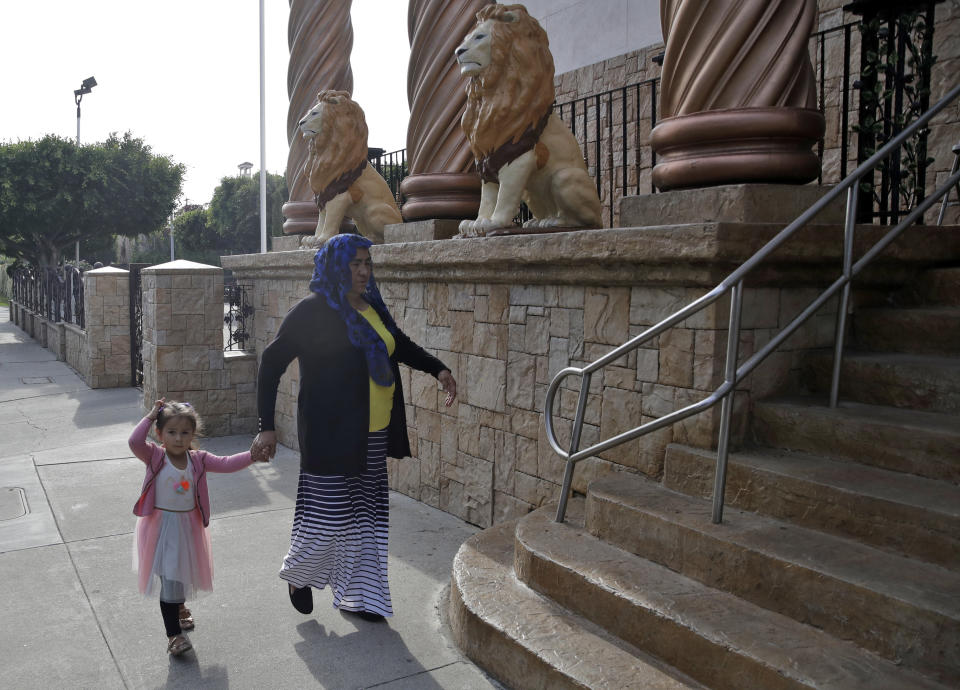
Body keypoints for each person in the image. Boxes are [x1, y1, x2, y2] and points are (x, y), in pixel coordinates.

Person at [253, 233, 457, 622]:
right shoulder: (312, 310)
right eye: (355, 263)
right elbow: (271, 362)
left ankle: (361, 598)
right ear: (336, 266)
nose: (364, 271)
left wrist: (438, 368)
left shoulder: (372, 307)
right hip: (329, 432)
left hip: (373, 432)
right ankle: (300, 576)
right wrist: (266, 425)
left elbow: (399, 344)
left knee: (368, 517)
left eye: (367, 263)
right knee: (328, 515)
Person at [130, 399, 265, 656]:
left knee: (180, 571)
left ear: (193, 434)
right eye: (171, 432)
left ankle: (180, 608)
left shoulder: (198, 460)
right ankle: (173, 636)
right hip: (159, 527)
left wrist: (252, 456)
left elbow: (226, 463)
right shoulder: (155, 456)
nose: (178, 438)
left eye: (185, 432)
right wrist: (149, 416)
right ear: (159, 434)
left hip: (187, 527)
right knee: (169, 575)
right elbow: (134, 443)